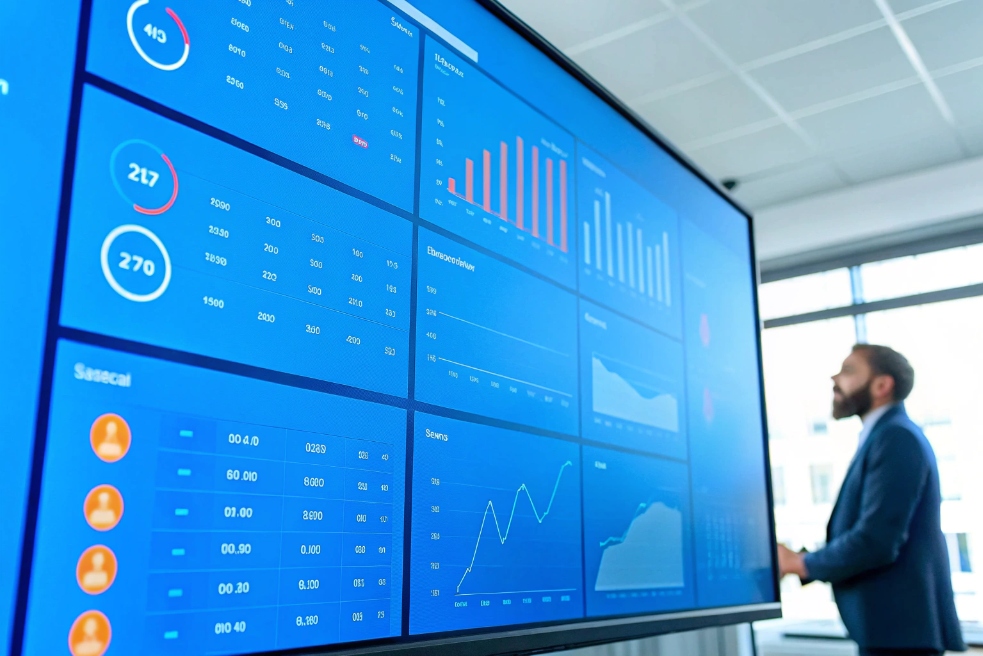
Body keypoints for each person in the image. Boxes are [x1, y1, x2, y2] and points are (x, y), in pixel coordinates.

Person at [777, 344, 965, 656]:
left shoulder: (896, 437)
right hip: (896, 633)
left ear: (882, 385)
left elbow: (876, 540)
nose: (835, 378)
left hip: (900, 636)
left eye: (849, 370)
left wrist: (801, 564)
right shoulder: (886, 435)